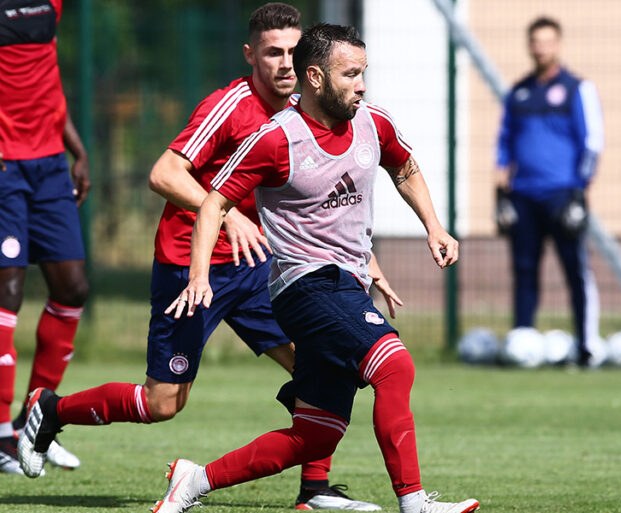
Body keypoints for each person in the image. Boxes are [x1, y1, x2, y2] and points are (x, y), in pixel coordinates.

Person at [16, 5, 396, 510]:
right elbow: (163, 174)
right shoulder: (229, 106)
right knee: (162, 402)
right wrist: (226, 215)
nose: (285, 63)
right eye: (273, 52)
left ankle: (315, 489)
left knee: (318, 364)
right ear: (250, 55)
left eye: (293, 51)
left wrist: (363, 259)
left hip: (260, 268)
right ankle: (52, 409)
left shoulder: (308, 113)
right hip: (191, 267)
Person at [105, 23, 477, 513]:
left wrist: (433, 227)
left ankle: (195, 481)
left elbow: (404, 167)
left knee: (317, 434)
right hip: (304, 284)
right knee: (394, 365)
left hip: (347, 282)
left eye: (363, 73)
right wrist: (198, 276)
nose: (362, 85)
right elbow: (214, 203)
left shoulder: (374, 123)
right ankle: (415, 504)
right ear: (316, 78)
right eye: (350, 75)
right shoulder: (277, 139)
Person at [0, 0, 90, 475]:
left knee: (72, 287)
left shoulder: (50, 6)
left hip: (51, 162)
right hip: (6, 164)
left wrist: (77, 150)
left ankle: (30, 424)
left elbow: (45, 84)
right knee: (8, 291)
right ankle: (1, 436)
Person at [495, 16, 604, 367]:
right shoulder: (519, 92)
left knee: (575, 270)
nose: (541, 48)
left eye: (547, 41)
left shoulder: (576, 88)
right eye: (536, 42)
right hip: (524, 196)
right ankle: (522, 344)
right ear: (529, 46)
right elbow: (504, 145)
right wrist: (501, 192)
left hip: (562, 195)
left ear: (558, 45)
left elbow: (592, 144)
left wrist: (579, 191)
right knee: (524, 271)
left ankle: (587, 347)